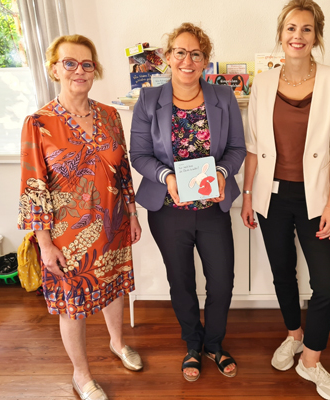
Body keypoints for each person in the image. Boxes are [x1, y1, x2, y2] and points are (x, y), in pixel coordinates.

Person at [18, 34, 142, 400]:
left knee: (114, 287)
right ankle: (81, 374)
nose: (79, 70)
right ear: (54, 68)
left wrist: (132, 213)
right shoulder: (38, 123)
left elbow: (123, 171)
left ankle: (118, 343)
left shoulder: (110, 115)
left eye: (87, 64)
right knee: (73, 306)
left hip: (115, 222)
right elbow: (33, 189)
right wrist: (44, 243)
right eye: (70, 63)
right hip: (68, 236)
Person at [241, 1, 330, 399]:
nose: (298, 36)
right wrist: (246, 194)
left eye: (306, 29)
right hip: (271, 196)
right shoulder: (263, 81)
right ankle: (293, 335)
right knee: (282, 273)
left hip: (317, 198)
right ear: (281, 33)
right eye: (291, 28)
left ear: (316, 35)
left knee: (329, 284)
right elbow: (254, 146)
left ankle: (311, 360)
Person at [130, 22, 246, 382]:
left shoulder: (222, 97)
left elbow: (237, 149)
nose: (187, 60)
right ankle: (192, 345)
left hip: (212, 209)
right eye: (180, 52)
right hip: (168, 211)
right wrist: (167, 179)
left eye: (196, 53)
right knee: (180, 281)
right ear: (167, 57)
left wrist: (224, 174)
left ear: (205, 61)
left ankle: (215, 343)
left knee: (222, 281)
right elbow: (139, 154)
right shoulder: (149, 100)